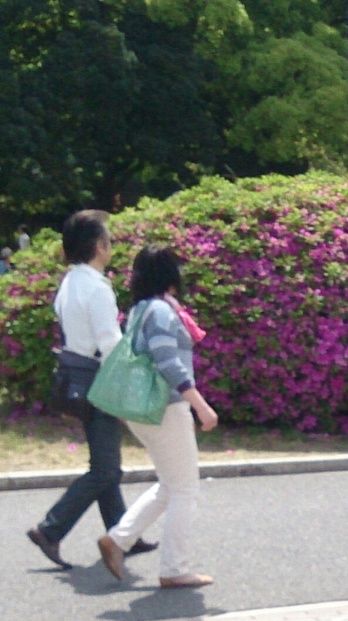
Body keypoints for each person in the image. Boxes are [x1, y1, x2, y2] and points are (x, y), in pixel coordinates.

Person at [26, 211, 156, 570]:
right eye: (109, 240)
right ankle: (50, 530)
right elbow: (110, 343)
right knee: (105, 470)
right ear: (98, 245)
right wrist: (129, 385)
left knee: (105, 465)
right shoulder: (97, 287)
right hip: (100, 380)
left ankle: (122, 534)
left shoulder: (70, 282)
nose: (111, 245)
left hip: (76, 378)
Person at [97, 246, 219, 589]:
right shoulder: (162, 311)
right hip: (166, 407)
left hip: (145, 409)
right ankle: (174, 568)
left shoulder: (138, 311)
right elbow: (168, 362)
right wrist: (200, 405)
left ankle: (117, 540)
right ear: (170, 275)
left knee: (171, 485)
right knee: (185, 489)